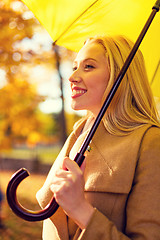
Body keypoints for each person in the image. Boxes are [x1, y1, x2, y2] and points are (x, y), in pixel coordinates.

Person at [36, 35, 160, 239]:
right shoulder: (79, 133)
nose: (72, 76)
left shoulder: (149, 142)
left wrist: (81, 210)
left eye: (89, 67)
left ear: (120, 76)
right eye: (75, 66)